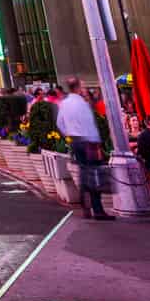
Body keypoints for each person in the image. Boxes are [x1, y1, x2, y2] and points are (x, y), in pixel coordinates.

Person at [58, 78, 112, 221]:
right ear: (78, 88)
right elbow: (89, 124)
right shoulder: (81, 104)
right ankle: (98, 210)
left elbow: (59, 123)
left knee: (84, 173)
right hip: (87, 141)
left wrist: (69, 134)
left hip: (75, 141)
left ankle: (86, 206)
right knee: (93, 175)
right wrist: (96, 143)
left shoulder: (64, 103)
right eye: (82, 86)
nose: (84, 88)